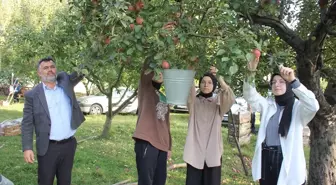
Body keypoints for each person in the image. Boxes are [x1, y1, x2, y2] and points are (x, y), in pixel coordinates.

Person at [244, 59, 319, 185]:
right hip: (267, 158)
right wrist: (251, 73)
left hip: (287, 160)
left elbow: (313, 106)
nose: (276, 85)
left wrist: (294, 81)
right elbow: (250, 95)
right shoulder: (268, 105)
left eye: (281, 82)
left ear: (289, 85)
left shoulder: (298, 108)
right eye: (273, 82)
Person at [21, 57, 86, 185]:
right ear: (39, 73)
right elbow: (27, 123)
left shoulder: (65, 82)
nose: (50, 70)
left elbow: (83, 69)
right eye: (45, 68)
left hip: (69, 145)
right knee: (45, 181)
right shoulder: (32, 95)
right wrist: (27, 148)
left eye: (52, 67)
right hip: (47, 147)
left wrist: (99, 44)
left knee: (65, 181)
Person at [183, 72, 235, 185]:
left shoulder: (218, 103)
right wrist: (191, 70)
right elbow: (189, 92)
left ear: (214, 85)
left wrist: (219, 78)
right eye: (203, 82)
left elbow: (230, 97)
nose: (206, 85)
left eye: (210, 82)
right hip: (194, 150)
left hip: (213, 151)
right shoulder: (194, 102)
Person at [132, 59, 172, 185]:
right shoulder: (145, 88)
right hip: (147, 142)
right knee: (146, 181)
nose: (160, 74)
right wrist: (157, 52)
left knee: (160, 181)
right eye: (157, 71)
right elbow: (146, 67)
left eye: (162, 72)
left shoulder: (164, 97)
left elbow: (166, 124)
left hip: (162, 145)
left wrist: (169, 146)